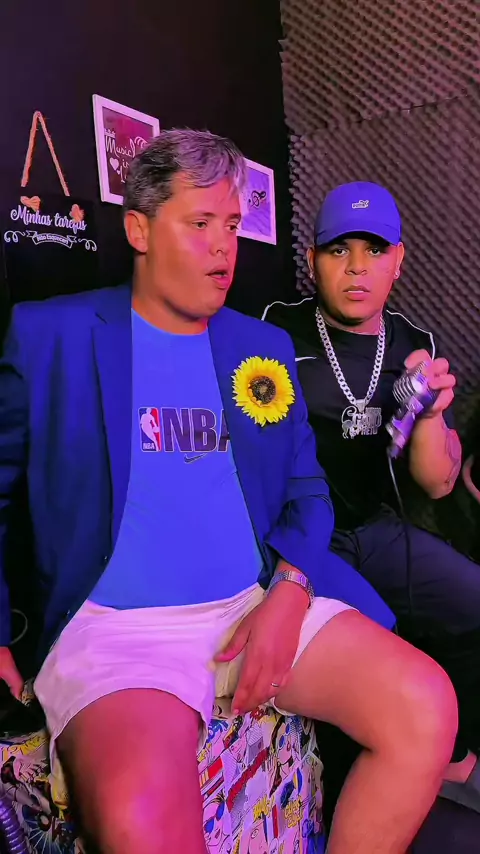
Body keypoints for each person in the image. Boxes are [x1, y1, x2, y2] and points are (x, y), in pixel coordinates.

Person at [0, 137, 457, 854]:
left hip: (249, 604)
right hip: (121, 634)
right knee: (141, 819)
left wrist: (290, 590)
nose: (224, 246)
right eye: (200, 223)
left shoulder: (258, 347)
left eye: (234, 226)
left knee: (425, 707)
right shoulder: (50, 336)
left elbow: (308, 491)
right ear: (140, 228)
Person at [263, 180, 480, 813]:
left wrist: (429, 414)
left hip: (377, 529)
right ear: (313, 261)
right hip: (305, 537)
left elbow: (437, 482)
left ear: (398, 260)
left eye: (375, 249)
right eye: (340, 250)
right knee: (375, 639)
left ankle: (451, 750)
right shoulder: (276, 329)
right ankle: (350, 782)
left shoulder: (415, 343)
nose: (357, 267)